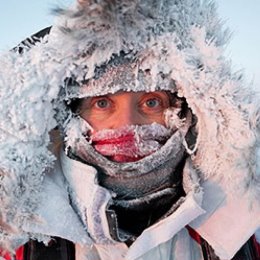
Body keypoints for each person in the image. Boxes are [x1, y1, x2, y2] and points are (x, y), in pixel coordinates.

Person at [0, 0, 260, 259]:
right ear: (70, 116)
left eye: (151, 102)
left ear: (186, 111)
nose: (126, 125)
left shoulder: (243, 224)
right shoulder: (16, 237)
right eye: (102, 103)